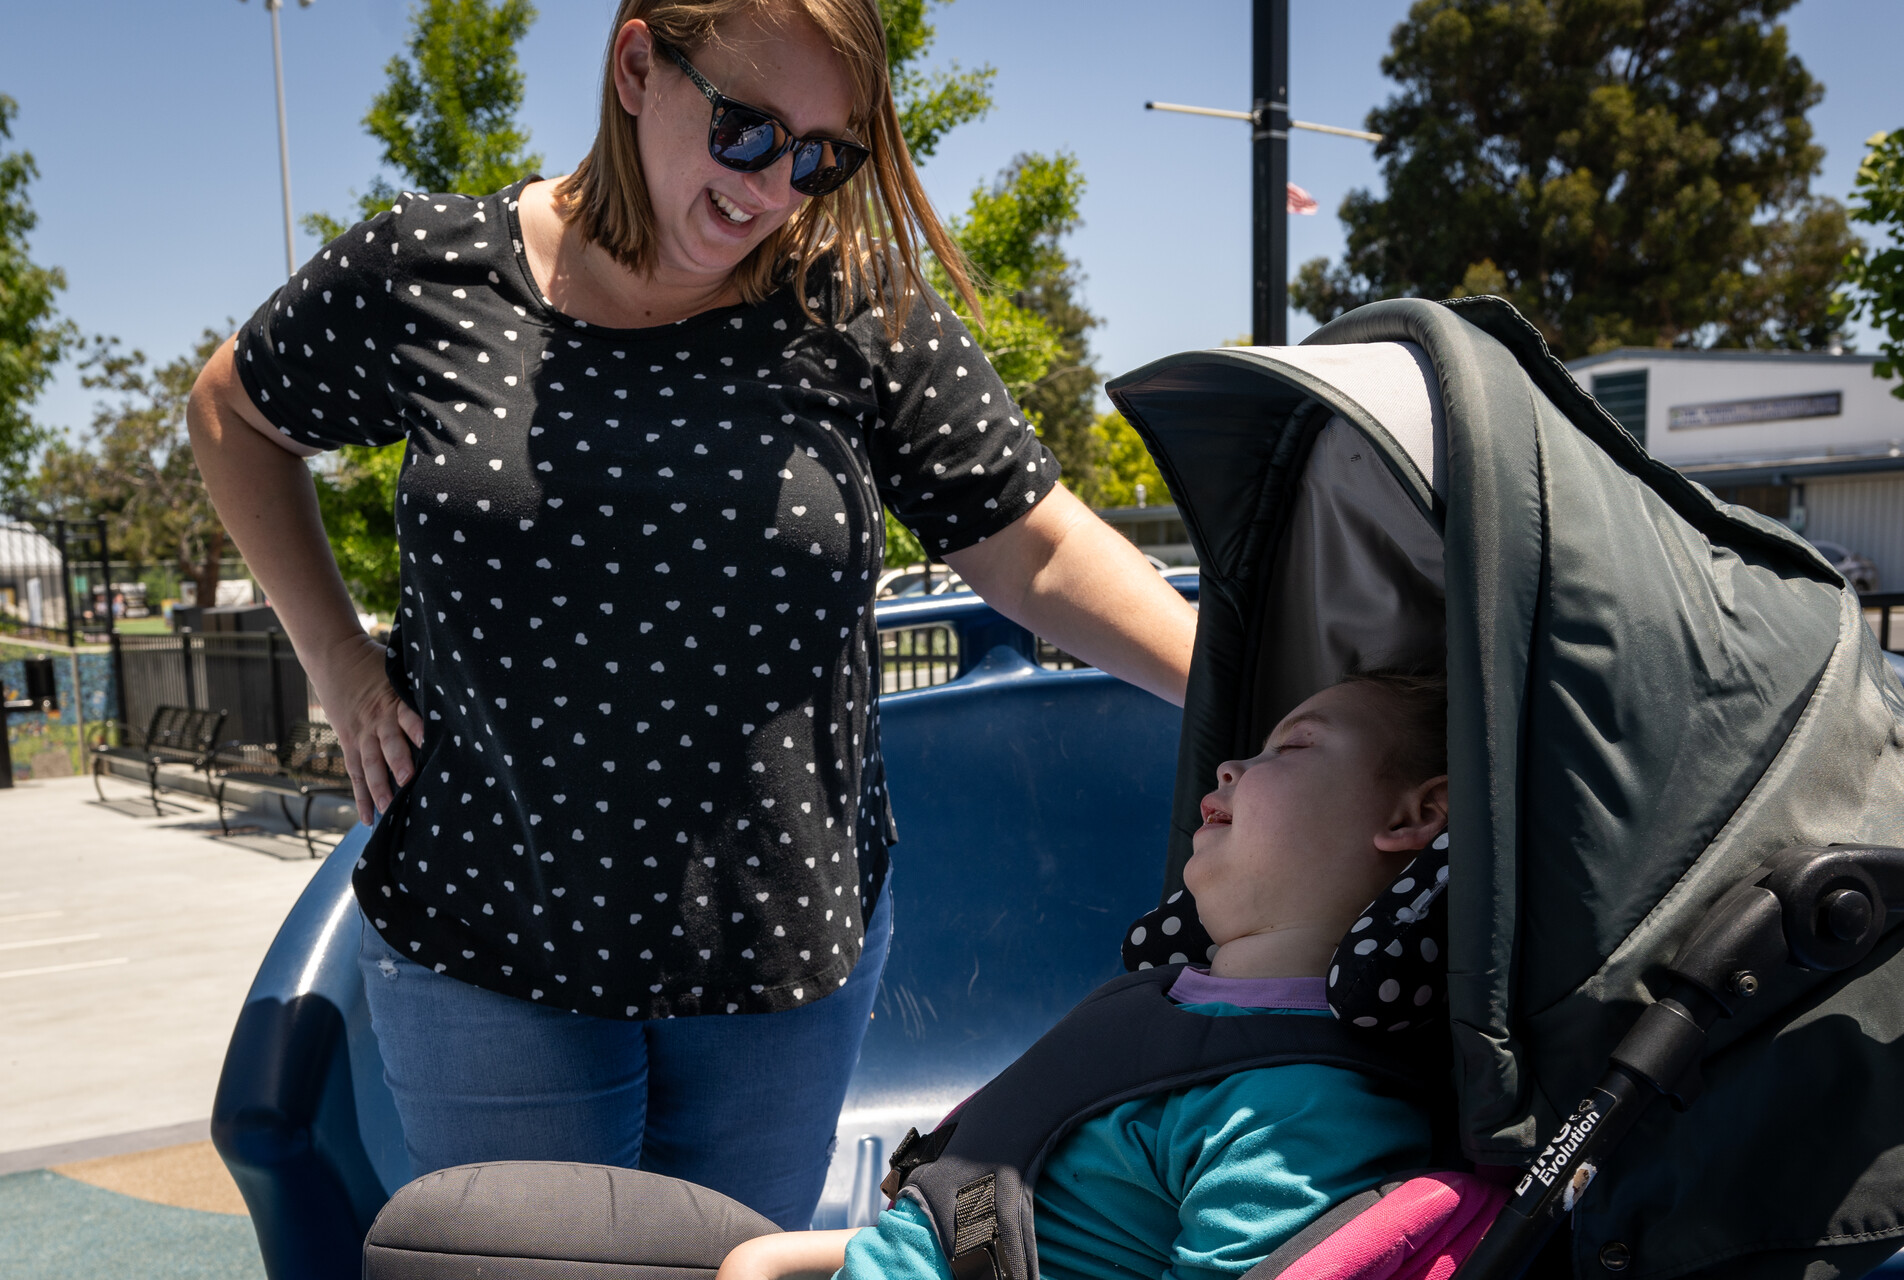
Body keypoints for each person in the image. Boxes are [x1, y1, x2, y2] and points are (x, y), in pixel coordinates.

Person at [183, 0, 1198, 1232]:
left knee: (734, 1266)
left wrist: (1250, 680)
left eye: (823, 156)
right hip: (489, 933)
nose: (777, 188)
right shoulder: (433, 267)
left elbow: (1033, 550)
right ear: (635, 64)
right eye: (748, 130)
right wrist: (339, 659)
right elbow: (233, 412)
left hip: (776, 957)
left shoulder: (853, 306)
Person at [712, 671, 1450, 1280]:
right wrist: (780, 1256)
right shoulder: (1168, 1013)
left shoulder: (1303, 1112)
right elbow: (978, 1221)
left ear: (1420, 813)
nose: (1232, 766)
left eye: (1291, 748)